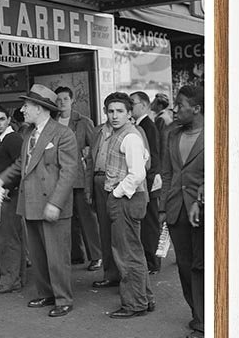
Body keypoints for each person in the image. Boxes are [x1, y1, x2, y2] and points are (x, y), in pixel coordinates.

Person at [0, 84, 78, 317]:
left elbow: (69, 172)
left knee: (57, 256)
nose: (22, 110)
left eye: (26, 105)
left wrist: (56, 203)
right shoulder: (28, 133)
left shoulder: (63, 134)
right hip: (30, 202)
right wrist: (2, 179)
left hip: (52, 204)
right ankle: (46, 293)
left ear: (39, 108)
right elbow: (22, 164)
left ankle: (63, 298)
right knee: (39, 255)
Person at [97, 91, 153, 319]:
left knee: (126, 254)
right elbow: (144, 159)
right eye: (111, 111)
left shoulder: (129, 136)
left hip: (126, 200)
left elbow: (138, 173)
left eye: (120, 111)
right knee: (133, 251)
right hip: (127, 199)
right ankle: (144, 298)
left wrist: (117, 192)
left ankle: (134, 304)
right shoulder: (124, 133)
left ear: (129, 113)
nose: (114, 115)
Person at [161, 84, 206, 338]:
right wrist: (163, 208)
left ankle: (204, 323)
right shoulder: (172, 135)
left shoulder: (216, 134)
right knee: (186, 267)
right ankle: (198, 312)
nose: (175, 109)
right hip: (177, 210)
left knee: (201, 265)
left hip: (202, 210)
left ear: (196, 109)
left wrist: (202, 199)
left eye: (180, 105)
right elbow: (167, 173)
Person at [55, 85, 102, 272]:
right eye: (58, 100)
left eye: (65, 99)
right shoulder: (53, 122)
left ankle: (96, 256)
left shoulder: (83, 122)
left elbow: (94, 148)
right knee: (68, 219)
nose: (61, 103)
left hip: (79, 176)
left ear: (72, 100)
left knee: (87, 217)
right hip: (59, 178)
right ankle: (76, 254)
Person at [0, 105, 26, 294]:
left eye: (2, 119)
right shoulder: (1, 139)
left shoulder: (12, 139)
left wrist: (11, 187)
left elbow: (22, 165)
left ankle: (9, 280)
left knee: (7, 239)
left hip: (9, 195)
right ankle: (14, 278)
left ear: (9, 120)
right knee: (10, 237)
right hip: (4, 193)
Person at [130, 90, 162, 274]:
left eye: (132, 103)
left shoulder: (147, 126)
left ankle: (153, 261)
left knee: (150, 222)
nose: (130, 106)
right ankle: (151, 260)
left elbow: (152, 155)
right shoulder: (141, 125)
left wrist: (151, 179)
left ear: (143, 105)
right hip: (147, 179)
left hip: (148, 180)